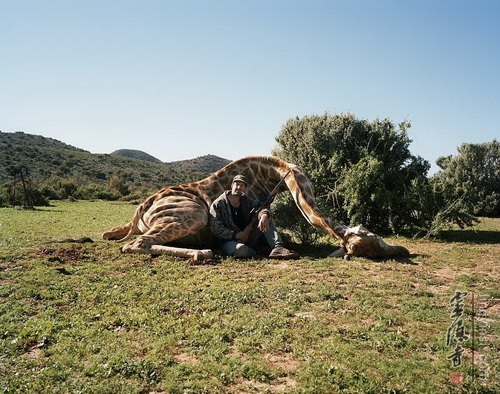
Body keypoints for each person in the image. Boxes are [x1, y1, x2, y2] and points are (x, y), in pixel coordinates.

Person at [209, 174, 298, 259]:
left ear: (245, 188)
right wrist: (235, 235)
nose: (239, 187)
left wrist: (264, 215)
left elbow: (260, 208)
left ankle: (278, 247)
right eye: (237, 184)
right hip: (229, 241)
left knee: (267, 218)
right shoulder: (218, 204)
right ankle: (258, 252)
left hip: (248, 236)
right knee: (240, 250)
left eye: (242, 185)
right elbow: (215, 228)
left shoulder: (246, 200)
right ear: (232, 185)